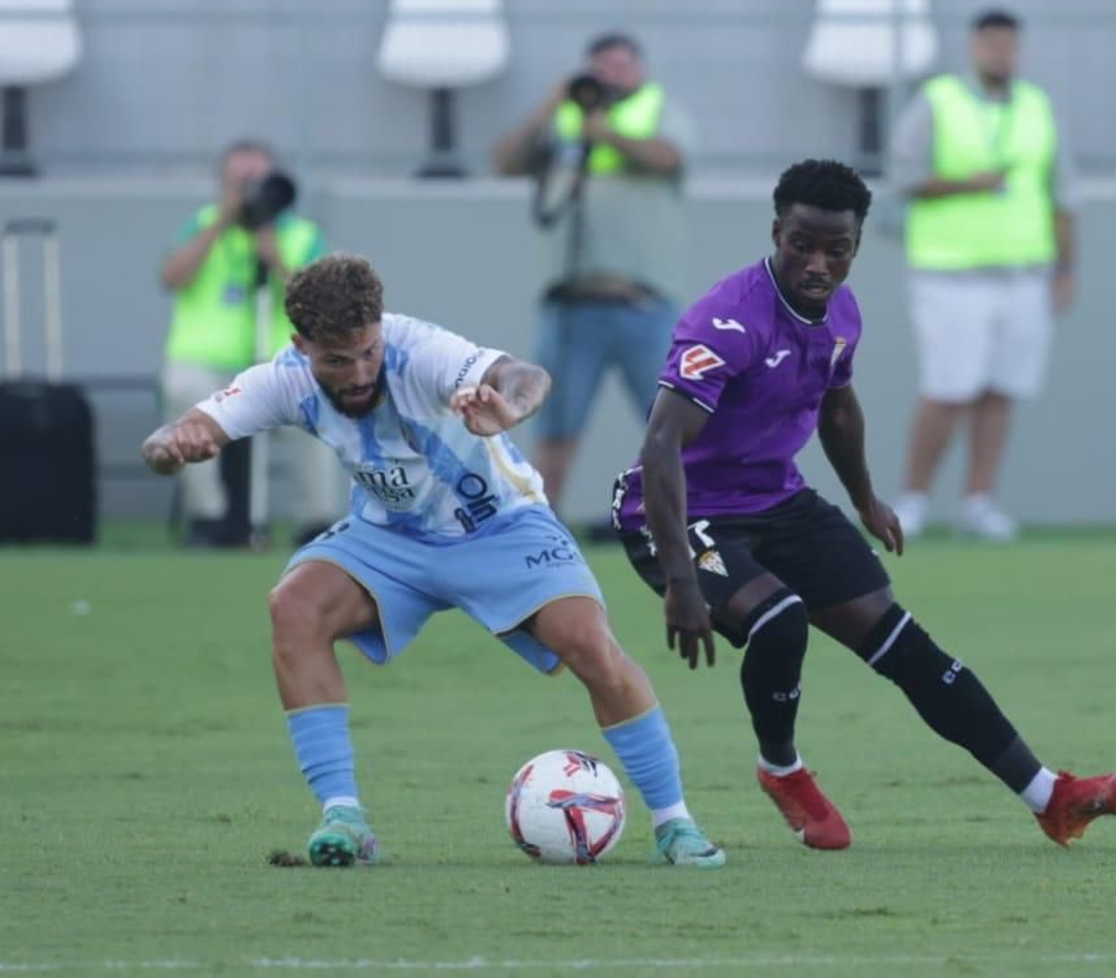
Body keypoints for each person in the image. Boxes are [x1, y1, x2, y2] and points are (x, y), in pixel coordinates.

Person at [612, 159, 1116, 852]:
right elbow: (659, 446)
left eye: (838, 249)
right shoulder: (727, 320)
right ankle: (783, 770)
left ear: (857, 247)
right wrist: (681, 578)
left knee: (905, 644)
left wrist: (864, 497)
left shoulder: (842, 314)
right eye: (802, 242)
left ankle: (1051, 795)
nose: (818, 263)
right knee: (780, 618)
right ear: (777, 232)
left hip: (777, 500)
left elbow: (837, 405)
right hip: (678, 512)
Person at [140, 254, 725, 869]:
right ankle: (344, 816)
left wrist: (511, 407)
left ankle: (674, 823)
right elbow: (181, 431)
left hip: (502, 527)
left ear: (380, 329)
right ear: (301, 346)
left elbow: (524, 375)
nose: (361, 371)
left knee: (591, 645)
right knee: (294, 605)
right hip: (389, 537)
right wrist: (173, 447)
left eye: (368, 351)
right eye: (338, 360)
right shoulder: (283, 379)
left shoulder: (422, 353)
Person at [889, 9, 1080, 542]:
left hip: (1024, 272)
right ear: (974, 46)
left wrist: (1066, 269)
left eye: (1011, 45)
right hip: (951, 272)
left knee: (1001, 389)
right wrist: (963, 184)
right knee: (947, 390)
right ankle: (913, 498)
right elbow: (903, 175)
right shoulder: (937, 101)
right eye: (992, 43)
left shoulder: (1038, 107)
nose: (1002, 54)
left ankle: (978, 500)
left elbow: (1063, 195)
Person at [494, 32, 694, 514]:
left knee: (674, 424)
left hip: (641, 302)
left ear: (640, 70)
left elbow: (669, 156)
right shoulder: (564, 118)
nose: (611, 74)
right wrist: (550, 107)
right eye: (601, 65)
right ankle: (540, 528)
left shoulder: (657, 109)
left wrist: (602, 132)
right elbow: (504, 160)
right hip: (571, 305)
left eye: (622, 65)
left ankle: (698, 523)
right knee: (555, 425)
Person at [159, 139, 342, 547]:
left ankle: (316, 522)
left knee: (321, 404)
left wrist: (274, 256)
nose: (249, 191)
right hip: (208, 361)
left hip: (284, 363)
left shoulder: (300, 234)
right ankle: (207, 518)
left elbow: (323, 303)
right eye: (239, 181)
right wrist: (220, 223)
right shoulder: (204, 223)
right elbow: (172, 277)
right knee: (183, 391)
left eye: (257, 181)